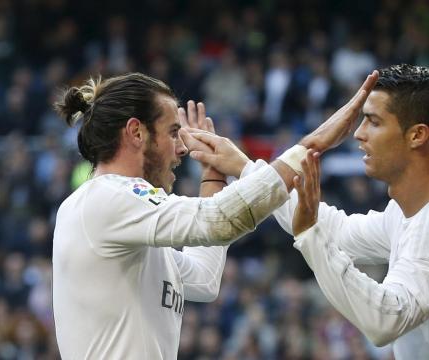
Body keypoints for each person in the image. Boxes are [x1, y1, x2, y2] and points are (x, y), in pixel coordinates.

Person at [51, 71, 378, 359]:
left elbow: (203, 280)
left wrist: (213, 174)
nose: (182, 148)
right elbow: (217, 220)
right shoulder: (107, 198)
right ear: (136, 132)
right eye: (171, 132)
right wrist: (311, 145)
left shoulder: (127, 222)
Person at [189, 64, 429, 359]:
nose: (358, 133)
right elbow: (337, 232)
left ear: (417, 135)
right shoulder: (413, 211)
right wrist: (246, 169)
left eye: (374, 121)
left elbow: (385, 320)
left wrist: (310, 236)